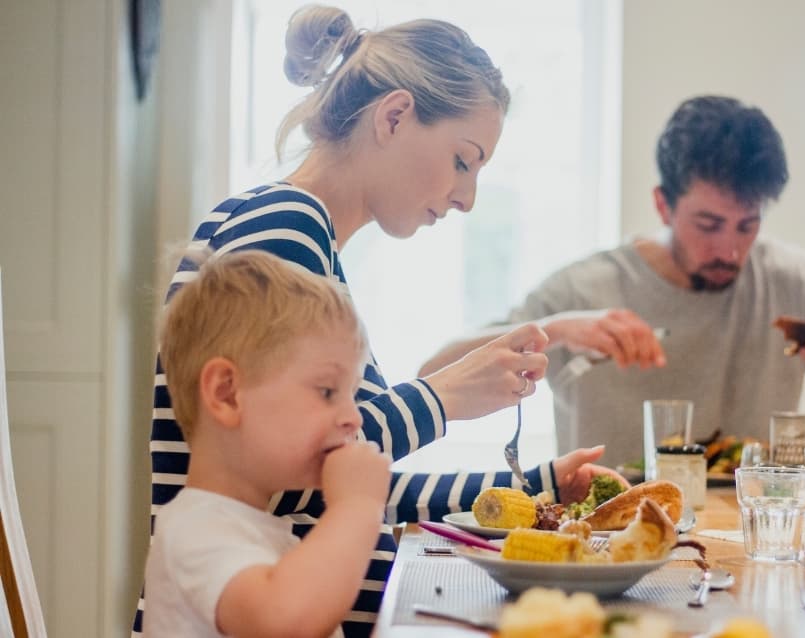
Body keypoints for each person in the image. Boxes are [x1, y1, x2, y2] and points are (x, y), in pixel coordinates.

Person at [135, 5, 623, 637]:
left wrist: (539, 487)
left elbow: (349, 480)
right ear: (393, 117)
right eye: (462, 160)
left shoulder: (302, 237)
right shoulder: (284, 227)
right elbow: (321, 467)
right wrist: (444, 396)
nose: (466, 197)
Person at [420, 95, 805, 468]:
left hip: (747, 546)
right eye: (708, 225)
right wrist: (558, 329)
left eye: (747, 226)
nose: (729, 250)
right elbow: (433, 375)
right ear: (663, 204)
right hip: (607, 540)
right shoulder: (582, 291)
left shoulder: (799, 285)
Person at [144, 249, 390, 638]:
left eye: (352, 394)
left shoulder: (257, 530)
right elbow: (285, 620)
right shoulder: (195, 530)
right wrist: (357, 508)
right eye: (327, 391)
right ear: (227, 394)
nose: (353, 417)